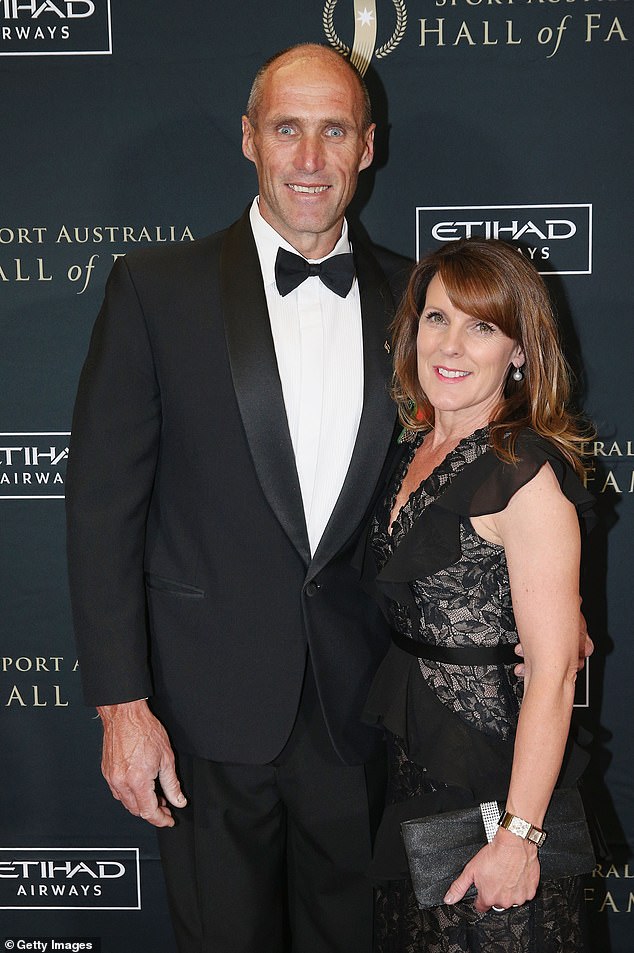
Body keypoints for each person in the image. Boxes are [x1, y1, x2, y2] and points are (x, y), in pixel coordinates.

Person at [65, 43, 412, 953]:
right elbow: (103, 511)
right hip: (201, 719)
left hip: (363, 715)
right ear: (250, 140)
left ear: (366, 147)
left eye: (333, 131)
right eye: (286, 129)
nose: (309, 159)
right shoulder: (154, 290)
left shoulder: (424, 303)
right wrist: (121, 707)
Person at [360, 237, 595, 952]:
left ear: (518, 350)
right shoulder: (412, 447)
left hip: (492, 777)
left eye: (481, 326)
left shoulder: (523, 475)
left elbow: (553, 672)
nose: (451, 344)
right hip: (414, 771)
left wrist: (520, 836)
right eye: (437, 318)